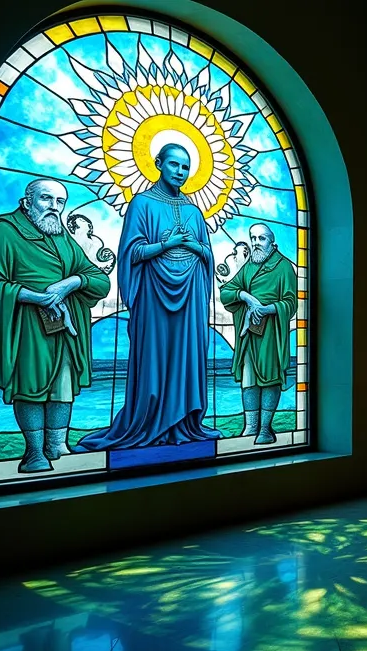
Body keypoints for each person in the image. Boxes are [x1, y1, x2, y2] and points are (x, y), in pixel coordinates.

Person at [78, 144, 222, 451]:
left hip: (190, 296)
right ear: (158, 163)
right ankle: (149, 424)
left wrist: (194, 247)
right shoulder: (141, 204)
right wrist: (166, 245)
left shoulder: (195, 212)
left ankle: (185, 423)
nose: (180, 172)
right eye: (174, 164)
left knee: (187, 355)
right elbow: (131, 253)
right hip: (153, 295)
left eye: (185, 167)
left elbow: (207, 255)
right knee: (153, 357)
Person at [0, 179, 111, 472]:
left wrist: (70, 284)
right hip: (26, 327)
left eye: (60, 201)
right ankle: (34, 453)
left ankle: (57, 445)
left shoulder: (61, 236)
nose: (54, 207)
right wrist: (37, 297)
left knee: (63, 386)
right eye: (46, 199)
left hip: (65, 329)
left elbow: (99, 280)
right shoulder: (3, 231)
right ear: (27, 202)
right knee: (29, 386)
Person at [220, 224, 297, 444]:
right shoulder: (249, 267)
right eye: (252, 238)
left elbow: (290, 303)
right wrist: (245, 296)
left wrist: (265, 309)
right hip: (249, 336)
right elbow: (226, 292)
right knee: (249, 380)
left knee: (270, 378)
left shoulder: (283, 267)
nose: (255, 243)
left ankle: (265, 429)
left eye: (261, 238)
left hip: (272, 334)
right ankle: (250, 427)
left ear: (272, 243)